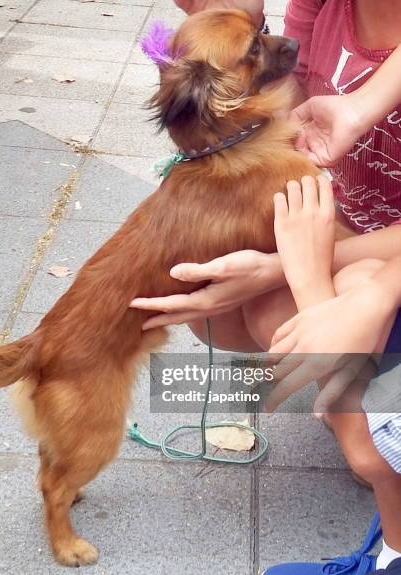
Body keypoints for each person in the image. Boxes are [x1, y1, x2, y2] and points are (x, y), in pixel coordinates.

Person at [130, 1, 401, 573]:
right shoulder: (321, 5)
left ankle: (380, 452)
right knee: (235, 304)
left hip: (383, 252)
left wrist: (295, 270)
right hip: (355, 222)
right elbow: (275, 84)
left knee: (327, 301)